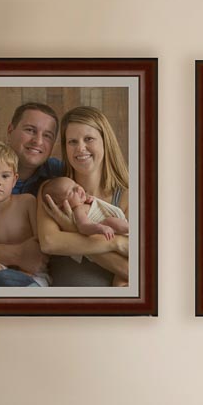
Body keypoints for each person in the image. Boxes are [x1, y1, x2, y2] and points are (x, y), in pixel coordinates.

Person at [37, 106, 130, 287]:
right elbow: (50, 242)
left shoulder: (128, 196)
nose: (80, 148)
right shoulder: (53, 191)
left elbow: (131, 270)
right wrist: (115, 244)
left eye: (89, 139)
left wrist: (70, 227)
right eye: (72, 141)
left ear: (105, 141)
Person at [0, 141, 47, 287]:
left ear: (14, 180)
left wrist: (24, 274)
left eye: (5, 176)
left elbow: (40, 243)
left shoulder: (27, 202)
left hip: (33, 274)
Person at [5, 102, 64, 195]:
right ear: (10, 131)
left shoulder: (58, 171)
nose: (38, 141)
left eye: (47, 135)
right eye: (30, 130)